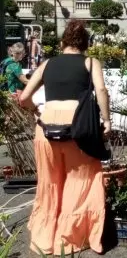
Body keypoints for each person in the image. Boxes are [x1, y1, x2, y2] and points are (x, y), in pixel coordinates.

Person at [18, 19, 110, 255]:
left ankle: (43, 239)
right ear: (86, 44)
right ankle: (68, 239)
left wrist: (35, 110)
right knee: (80, 181)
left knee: (49, 182)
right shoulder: (90, 62)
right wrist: (107, 120)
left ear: (62, 43)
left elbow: (24, 97)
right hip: (77, 128)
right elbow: (100, 90)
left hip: (46, 127)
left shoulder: (47, 64)